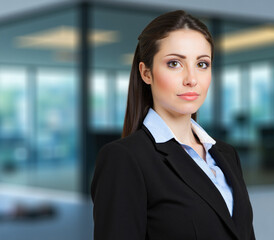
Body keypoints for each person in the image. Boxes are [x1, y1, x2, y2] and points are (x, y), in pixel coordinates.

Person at [91, 10, 255, 240]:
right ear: (146, 73)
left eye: (202, 64)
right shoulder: (125, 159)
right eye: (175, 63)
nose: (191, 78)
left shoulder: (226, 155)